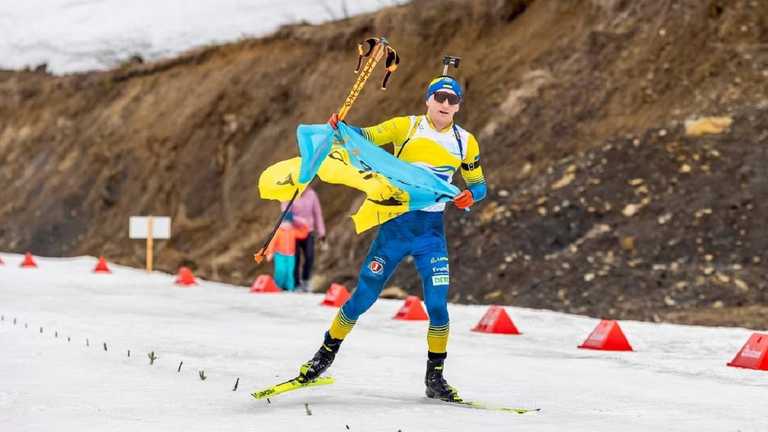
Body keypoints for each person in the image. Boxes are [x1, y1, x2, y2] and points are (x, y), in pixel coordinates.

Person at [296, 74, 487, 402]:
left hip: (431, 234)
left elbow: (479, 184)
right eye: (438, 97)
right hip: (395, 228)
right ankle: (321, 359)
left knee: (438, 307)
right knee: (363, 298)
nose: (444, 104)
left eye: (451, 100)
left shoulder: (465, 141)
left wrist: (471, 196)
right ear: (427, 99)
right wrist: (339, 127)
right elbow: (364, 137)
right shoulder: (407, 127)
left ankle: (435, 379)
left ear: (458, 106)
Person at [281, 186, 326, 291]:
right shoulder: (289, 194)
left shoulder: (312, 194)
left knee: (310, 257)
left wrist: (321, 232)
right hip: (293, 232)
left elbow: (317, 214)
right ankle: (296, 284)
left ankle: (305, 280)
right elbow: (285, 213)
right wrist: (300, 221)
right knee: (295, 259)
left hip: (308, 231)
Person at [266, 212, 308, 291]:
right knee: (280, 270)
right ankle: (277, 286)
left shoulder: (293, 231)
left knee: (289, 272)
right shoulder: (278, 232)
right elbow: (272, 243)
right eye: (285, 222)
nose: (287, 225)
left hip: (290, 256)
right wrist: (270, 253)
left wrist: (304, 224)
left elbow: (303, 234)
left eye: (289, 223)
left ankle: (290, 288)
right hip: (279, 255)